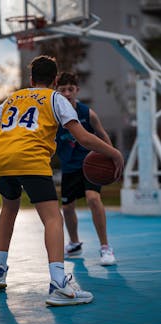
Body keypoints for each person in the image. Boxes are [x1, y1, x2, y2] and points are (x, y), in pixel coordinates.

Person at [0, 56, 123, 306]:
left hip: (1, 159)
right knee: (53, 218)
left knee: (9, 209)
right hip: (30, 158)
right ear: (56, 81)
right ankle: (59, 285)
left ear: (31, 80)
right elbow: (84, 138)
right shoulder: (56, 98)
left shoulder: (13, 97)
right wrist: (114, 153)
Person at [56, 72, 117, 265]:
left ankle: (105, 247)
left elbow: (102, 134)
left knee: (93, 198)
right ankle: (74, 243)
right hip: (68, 167)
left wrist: (112, 156)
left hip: (90, 165)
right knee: (67, 208)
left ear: (77, 90)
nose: (66, 93)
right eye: (62, 89)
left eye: (70, 89)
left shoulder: (87, 113)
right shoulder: (54, 116)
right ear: (56, 91)